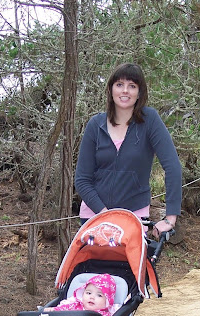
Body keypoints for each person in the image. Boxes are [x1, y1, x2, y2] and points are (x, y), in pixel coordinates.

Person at [75, 62, 182, 238]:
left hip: (134, 218)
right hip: (94, 218)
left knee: (133, 266)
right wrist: (106, 216)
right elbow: (82, 179)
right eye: (119, 85)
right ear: (110, 89)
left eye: (132, 86)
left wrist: (170, 218)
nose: (125, 90)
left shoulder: (150, 121)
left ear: (139, 93)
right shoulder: (95, 125)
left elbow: (172, 166)